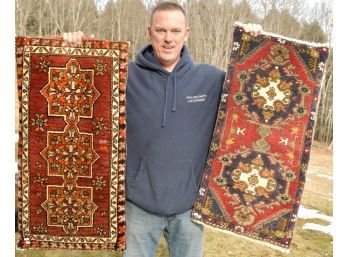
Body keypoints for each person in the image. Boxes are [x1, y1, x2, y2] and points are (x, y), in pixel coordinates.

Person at [62, 2, 262, 257]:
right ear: (150, 32)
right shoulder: (123, 75)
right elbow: (77, 91)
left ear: (186, 33)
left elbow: (252, 96)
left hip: (189, 209)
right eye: (161, 30)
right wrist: (72, 50)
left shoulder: (211, 79)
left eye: (176, 31)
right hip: (138, 206)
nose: (169, 39)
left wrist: (255, 43)